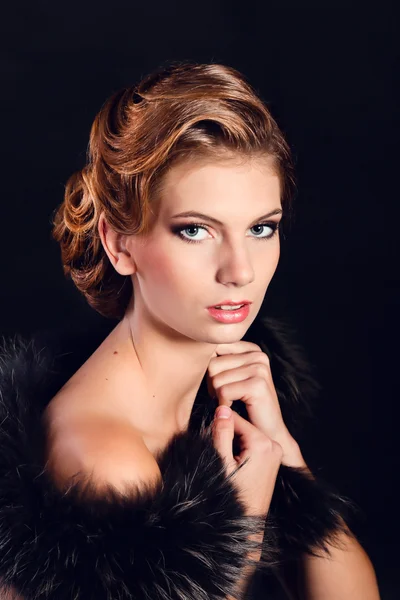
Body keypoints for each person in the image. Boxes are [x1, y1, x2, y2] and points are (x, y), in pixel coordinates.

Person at [0, 62, 380, 599]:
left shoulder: (214, 394)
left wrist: (285, 456)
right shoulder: (106, 461)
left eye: (260, 228)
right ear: (119, 243)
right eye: (196, 230)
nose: (240, 270)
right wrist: (240, 530)